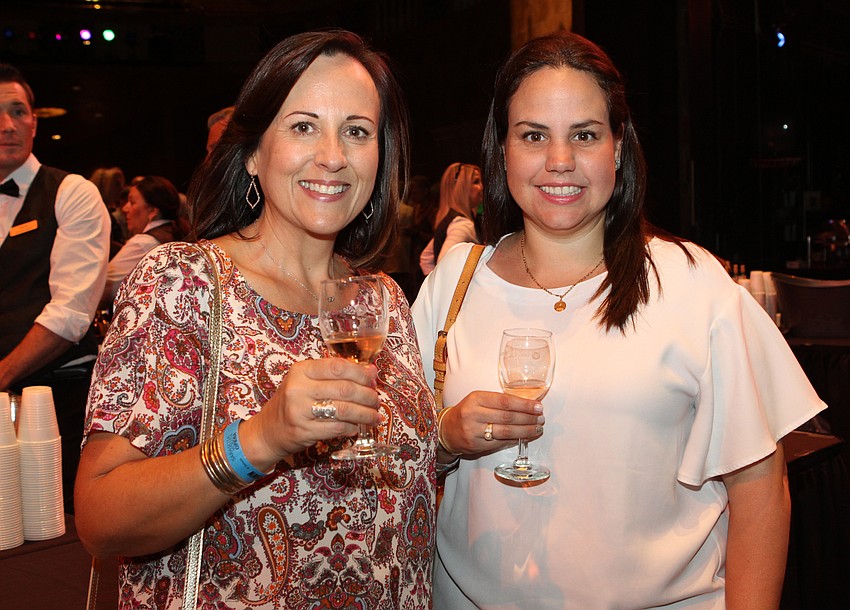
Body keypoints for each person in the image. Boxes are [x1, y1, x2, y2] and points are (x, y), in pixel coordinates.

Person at [411, 31, 825, 609]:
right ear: (501, 149)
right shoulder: (452, 284)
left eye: (584, 135)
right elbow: (391, 455)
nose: (560, 161)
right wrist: (447, 439)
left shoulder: (687, 283)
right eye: (534, 135)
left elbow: (759, 484)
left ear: (618, 148)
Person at [75, 30, 436, 609]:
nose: (334, 155)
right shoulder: (183, 284)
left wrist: (446, 443)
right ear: (251, 152)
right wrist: (260, 439)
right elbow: (100, 517)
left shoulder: (384, 303)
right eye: (303, 126)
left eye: (357, 131)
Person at [0, 63, 110, 514]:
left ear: (34, 121)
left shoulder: (72, 192)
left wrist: (2, 374)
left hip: (52, 397)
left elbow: (71, 312)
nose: (7, 125)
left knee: (49, 538)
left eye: (17, 111)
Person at [99, 175, 184, 307]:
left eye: (132, 202)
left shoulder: (144, 243)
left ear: (152, 211)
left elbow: (104, 289)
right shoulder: (177, 233)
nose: (125, 208)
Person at [418, 161, 482, 275]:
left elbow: (426, 258)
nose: (481, 187)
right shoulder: (462, 224)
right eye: (476, 182)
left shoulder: (454, 220)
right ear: (463, 187)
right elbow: (443, 264)